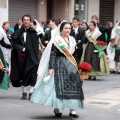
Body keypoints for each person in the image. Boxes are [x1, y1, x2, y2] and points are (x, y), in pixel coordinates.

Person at [31, 21, 84, 119]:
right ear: (61, 29)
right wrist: (51, 67)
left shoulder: (72, 39)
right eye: (66, 28)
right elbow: (53, 54)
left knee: (73, 87)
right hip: (59, 65)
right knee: (57, 87)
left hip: (71, 65)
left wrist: (79, 66)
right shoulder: (56, 40)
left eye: (69, 28)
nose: (68, 30)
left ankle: (72, 110)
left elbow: (75, 54)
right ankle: (57, 108)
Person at [10, 14, 39, 100]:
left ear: (30, 21)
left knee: (32, 73)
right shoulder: (18, 31)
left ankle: (31, 91)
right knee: (22, 73)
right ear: (22, 21)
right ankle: (24, 92)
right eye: (24, 20)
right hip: (20, 56)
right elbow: (14, 42)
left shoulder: (34, 32)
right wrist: (22, 48)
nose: (26, 21)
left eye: (28, 20)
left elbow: (36, 46)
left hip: (32, 56)